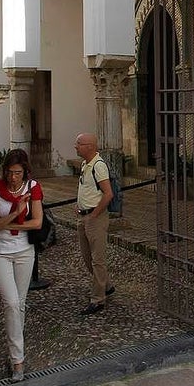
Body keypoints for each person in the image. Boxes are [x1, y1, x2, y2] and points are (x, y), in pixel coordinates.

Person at [0, 148, 43, 381]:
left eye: (17, 172)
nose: (12, 177)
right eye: (9, 172)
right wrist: (15, 213)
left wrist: (2, 223)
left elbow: (36, 222)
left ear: (25, 171)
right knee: (11, 302)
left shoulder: (33, 187)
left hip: (24, 251)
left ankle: (15, 347)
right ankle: (18, 360)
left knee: (20, 304)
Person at [74, 133, 115, 315]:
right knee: (87, 257)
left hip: (95, 218)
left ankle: (98, 299)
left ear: (89, 146)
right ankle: (106, 285)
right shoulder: (85, 165)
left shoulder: (98, 166)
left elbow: (108, 193)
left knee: (98, 260)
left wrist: (94, 215)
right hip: (84, 216)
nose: (76, 147)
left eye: (79, 144)